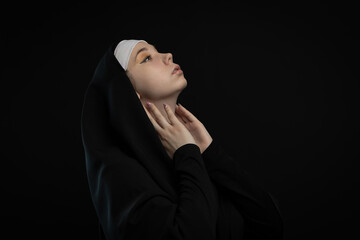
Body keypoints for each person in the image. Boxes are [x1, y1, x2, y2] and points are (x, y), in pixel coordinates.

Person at [81, 39, 284, 240]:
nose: (168, 55)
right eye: (146, 58)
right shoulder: (120, 178)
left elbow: (270, 226)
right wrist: (187, 153)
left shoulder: (192, 158)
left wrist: (210, 153)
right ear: (129, 93)